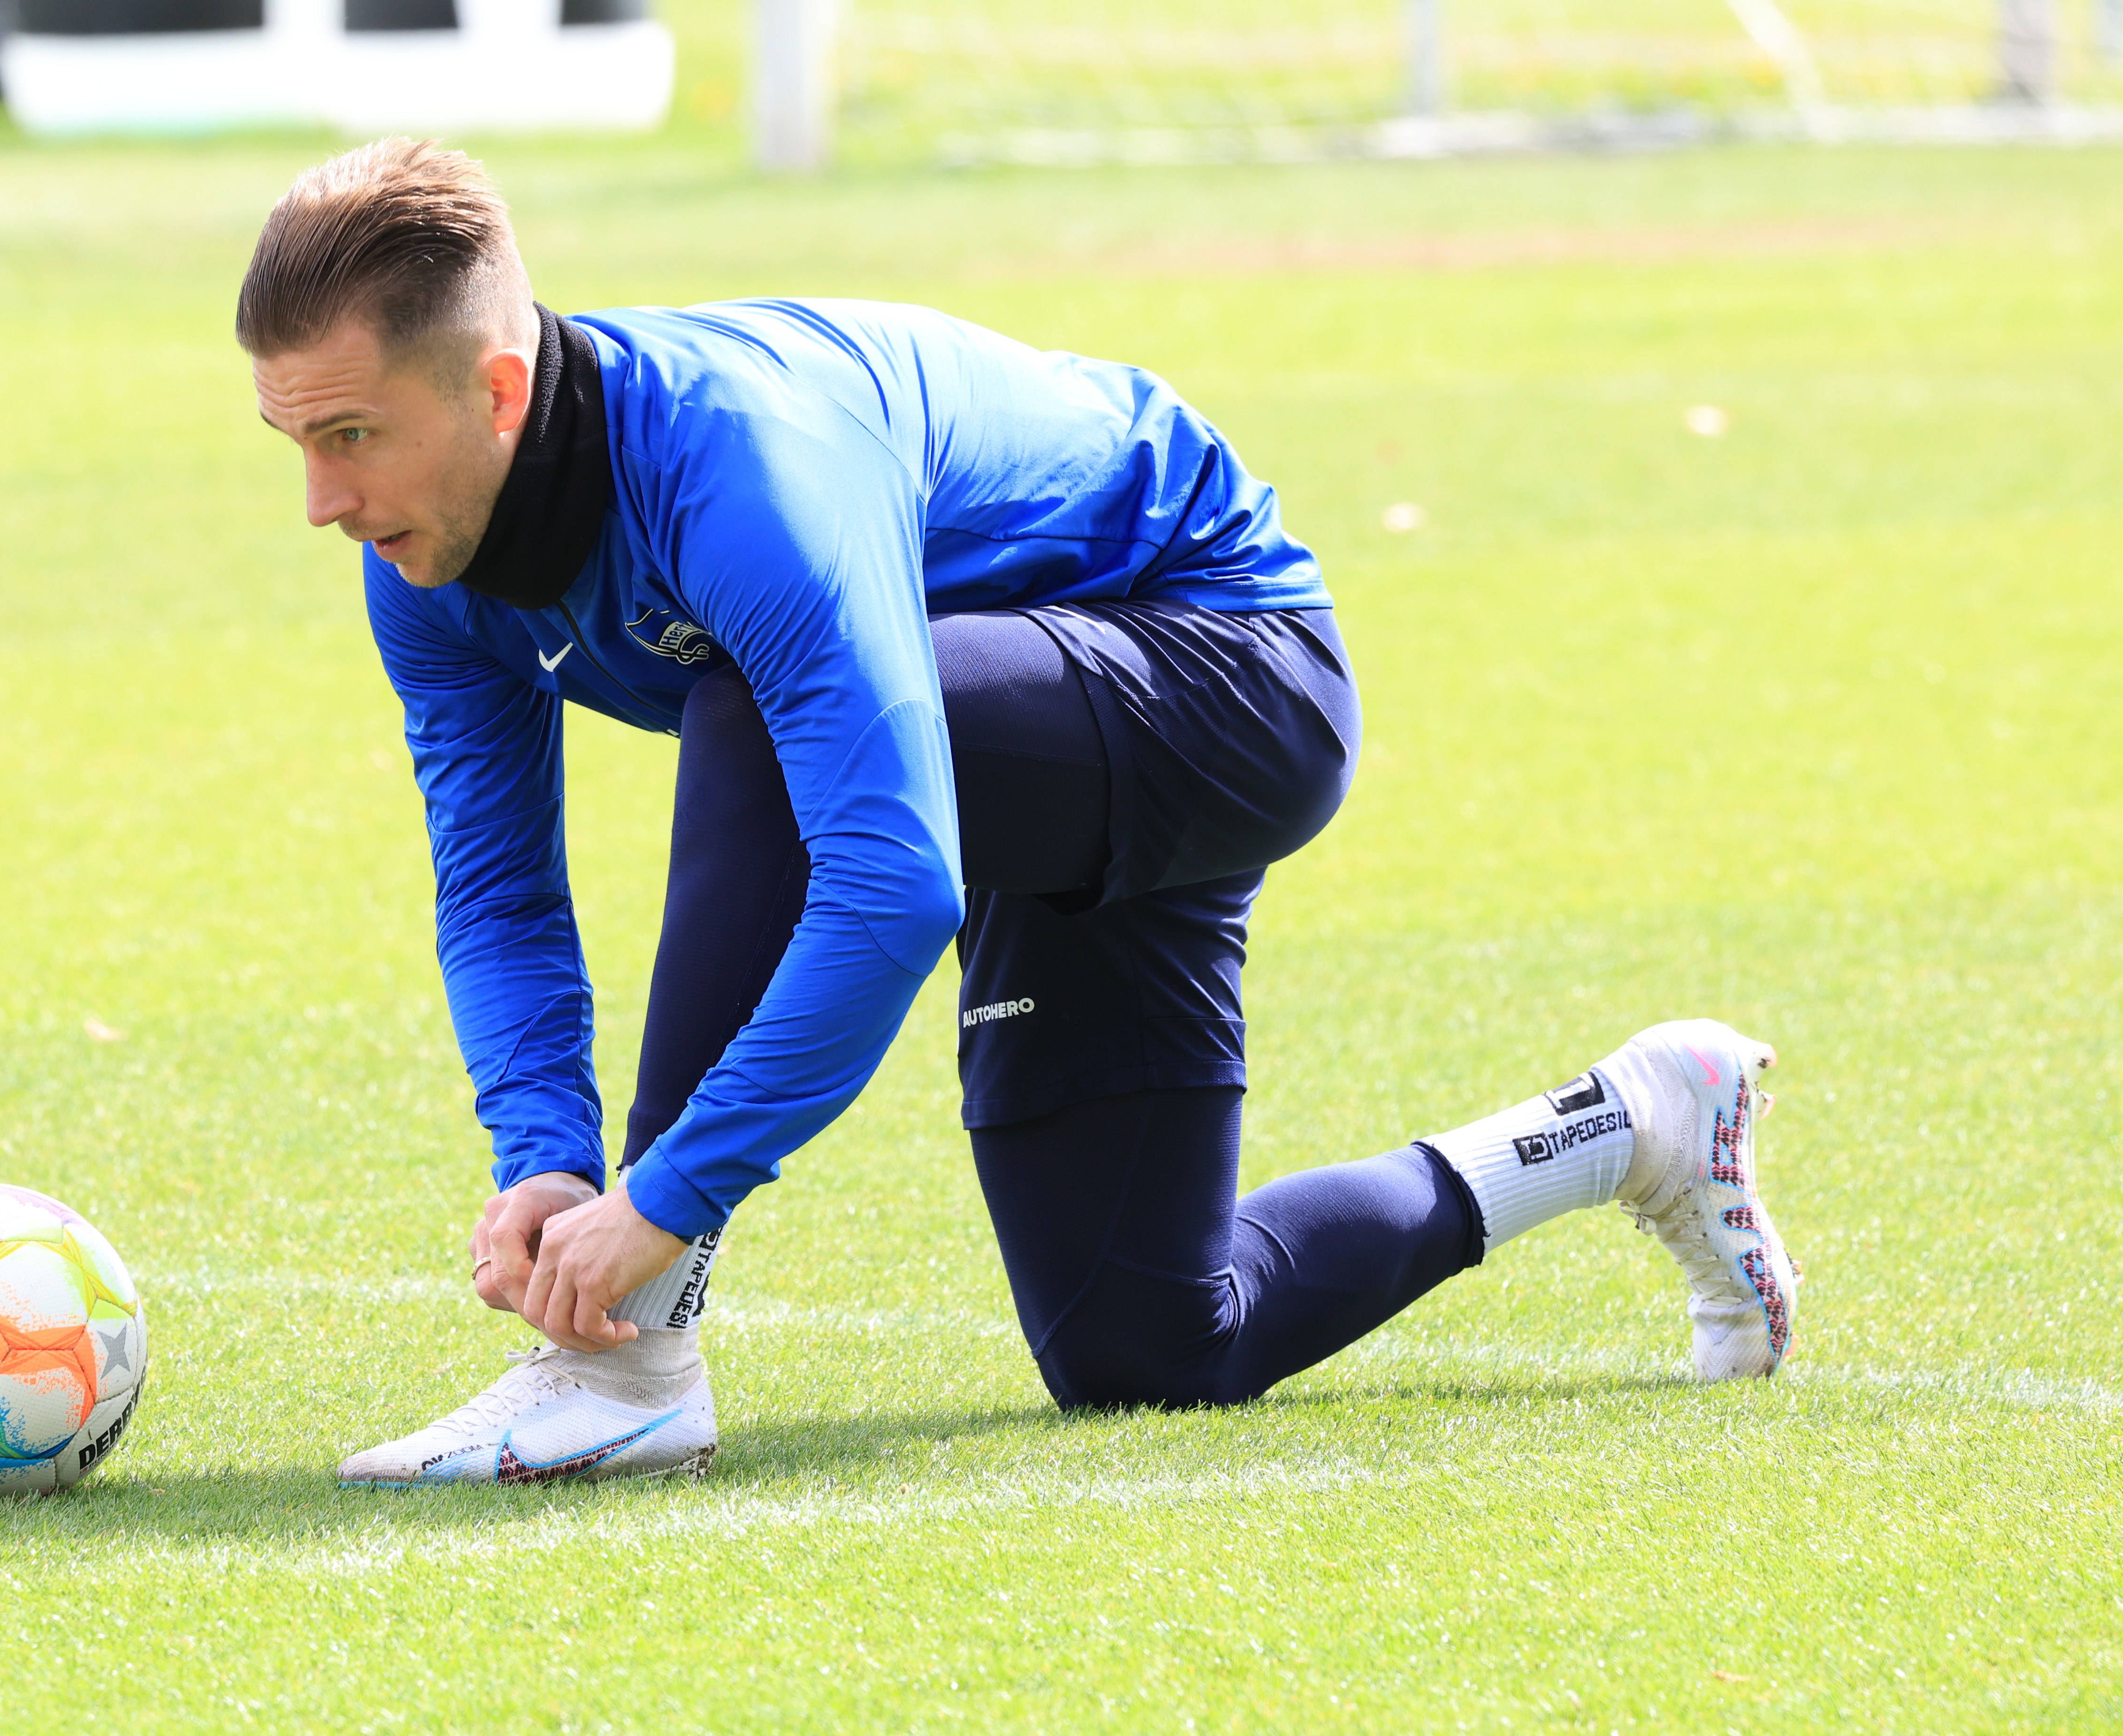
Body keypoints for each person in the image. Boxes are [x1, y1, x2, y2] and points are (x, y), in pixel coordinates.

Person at [235, 140, 1799, 1489]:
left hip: (1225, 672)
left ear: (499, 389)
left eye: (350, 436)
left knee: (753, 717)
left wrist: (663, 1209)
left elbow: (891, 881)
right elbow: (500, 895)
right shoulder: (423, 569)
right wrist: (550, 1164)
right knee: (1149, 1345)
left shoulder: (742, 468)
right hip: (1021, 748)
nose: (321, 501)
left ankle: (626, 1373)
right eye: (294, 442)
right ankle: (1635, 1124)